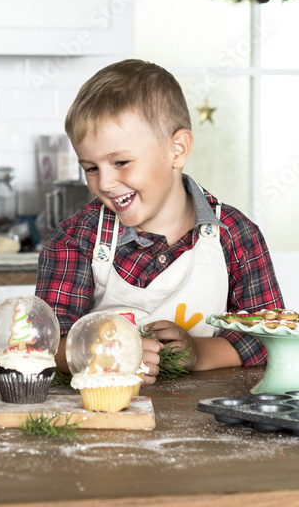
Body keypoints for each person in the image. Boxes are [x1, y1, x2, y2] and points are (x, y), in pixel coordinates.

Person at [35, 59, 284, 383]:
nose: (105, 183)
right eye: (91, 168)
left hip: (207, 423)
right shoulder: (77, 238)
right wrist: (99, 353)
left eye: (121, 162)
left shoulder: (235, 235)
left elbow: (271, 337)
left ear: (176, 150)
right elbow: (44, 345)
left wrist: (198, 353)